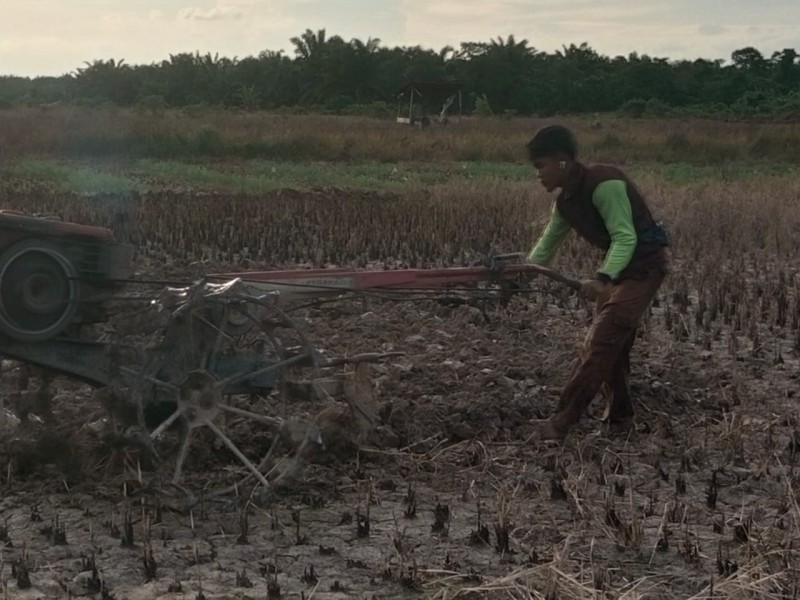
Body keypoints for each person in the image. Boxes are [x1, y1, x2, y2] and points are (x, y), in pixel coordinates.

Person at [524, 124, 669, 440]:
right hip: (620, 273)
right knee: (612, 347)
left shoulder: (605, 183)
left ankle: (561, 422)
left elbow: (624, 236)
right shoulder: (566, 203)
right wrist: (523, 271)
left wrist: (604, 278)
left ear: (562, 161)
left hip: (643, 269)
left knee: (599, 343)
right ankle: (620, 414)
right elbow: (548, 243)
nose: (538, 175)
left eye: (541, 166)